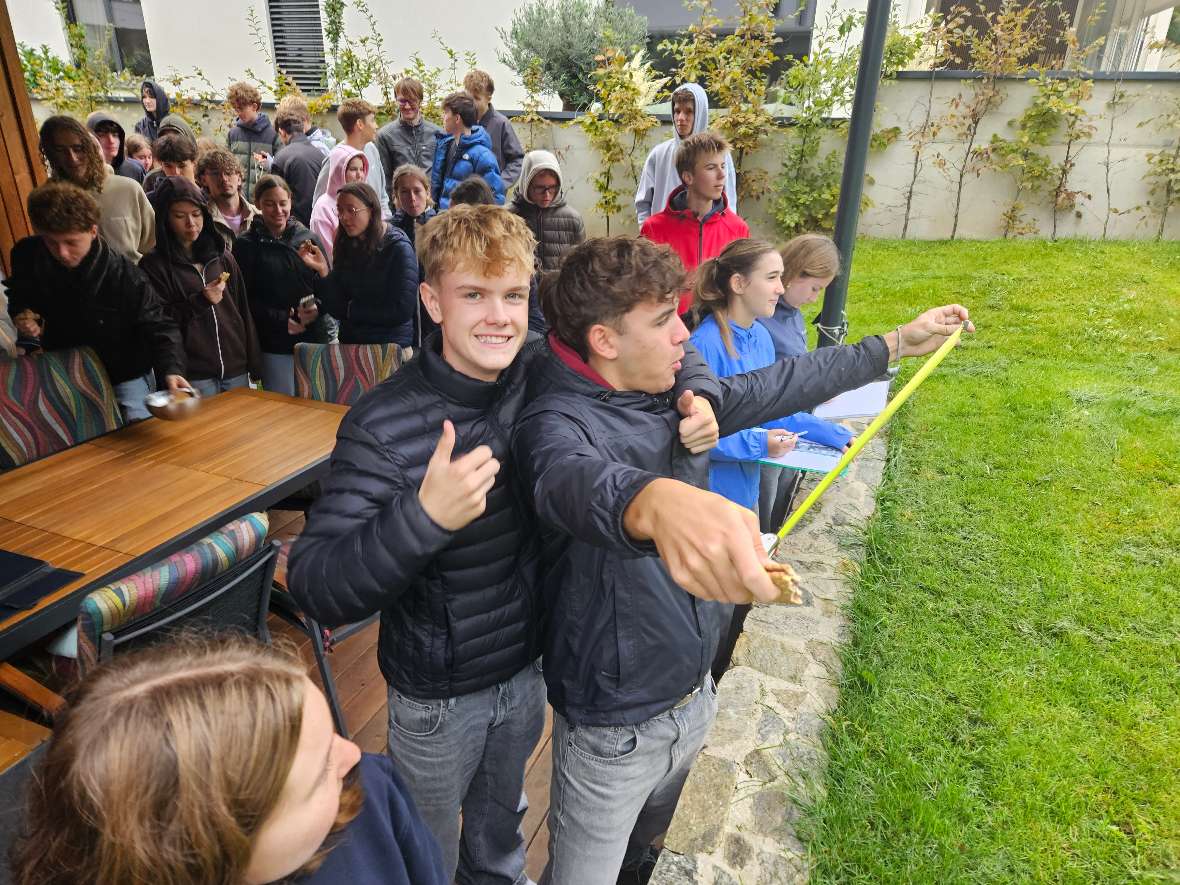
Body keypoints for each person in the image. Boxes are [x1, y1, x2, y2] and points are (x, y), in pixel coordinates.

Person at [512, 235, 973, 884]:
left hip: (694, 694)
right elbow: (577, 481)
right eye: (663, 320)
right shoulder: (553, 424)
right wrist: (656, 502)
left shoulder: (665, 382)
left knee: (650, 855)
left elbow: (774, 382)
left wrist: (895, 343)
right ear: (604, 341)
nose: (684, 334)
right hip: (612, 731)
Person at [286, 205, 722, 885]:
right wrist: (424, 516)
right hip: (436, 699)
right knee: (423, 854)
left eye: (513, 295)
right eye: (473, 295)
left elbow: (656, 331)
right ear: (431, 300)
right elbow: (314, 581)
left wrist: (693, 388)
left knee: (499, 845)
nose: (498, 316)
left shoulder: (534, 368)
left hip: (523, 675)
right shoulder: (382, 422)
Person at [9, 634, 447, 885]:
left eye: (332, 735)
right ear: (209, 847)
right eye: (316, 779)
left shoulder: (370, 795)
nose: (354, 754)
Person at [5, 181, 189, 422]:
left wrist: (172, 370)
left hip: (125, 371)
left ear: (93, 231)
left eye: (71, 242)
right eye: (51, 242)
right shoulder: (28, 255)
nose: (61, 252)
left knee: (138, 434)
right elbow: (20, 292)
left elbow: (160, 325)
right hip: (66, 366)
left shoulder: (123, 274)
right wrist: (23, 313)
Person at [757, 233, 853, 531]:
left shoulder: (793, 315)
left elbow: (795, 371)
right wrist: (824, 431)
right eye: (814, 288)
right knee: (765, 513)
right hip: (771, 437)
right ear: (795, 272)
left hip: (795, 427)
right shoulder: (762, 322)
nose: (814, 298)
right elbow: (764, 402)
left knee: (784, 496)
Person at [140, 176, 261, 398]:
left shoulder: (221, 256)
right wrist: (200, 301)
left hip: (235, 367)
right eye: (179, 216)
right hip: (193, 374)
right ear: (165, 218)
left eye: (196, 215)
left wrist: (253, 360)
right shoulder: (154, 266)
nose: (191, 223)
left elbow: (242, 308)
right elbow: (158, 321)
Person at [232, 174, 328, 395]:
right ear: (258, 204)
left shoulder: (307, 238)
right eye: (269, 204)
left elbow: (326, 283)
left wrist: (316, 310)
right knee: (283, 407)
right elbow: (245, 299)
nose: (278, 210)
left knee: (316, 406)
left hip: (313, 339)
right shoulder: (247, 246)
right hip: (274, 343)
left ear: (291, 201)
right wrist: (284, 319)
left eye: (283, 203)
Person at [641, 131, 749, 316]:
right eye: (711, 167)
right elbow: (643, 289)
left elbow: (743, 288)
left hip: (718, 329)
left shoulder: (738, 228)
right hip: (671, 330)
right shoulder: (654, 229)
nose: (722, 175)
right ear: (688, 177)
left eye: (723, 166)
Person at [300, 181, 417, 347]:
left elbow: (402, 309)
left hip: (389, 348)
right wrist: (324, 271)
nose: (344, 217)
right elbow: (336, 302)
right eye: (339, 210)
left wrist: (349, 311)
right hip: (351, 345)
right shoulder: (345, 242)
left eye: (351, 210)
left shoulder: (397, 247)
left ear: (371, 210)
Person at [38, 115, 155, 264]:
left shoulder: (128, 189)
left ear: (91, 147)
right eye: (61, 150)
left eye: (78, 148)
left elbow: (150, 245)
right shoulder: (46, 199)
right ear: (50, 153)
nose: (72, 158)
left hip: (130, 282)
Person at [635, 83, 737, 225]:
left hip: (707, 240)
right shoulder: (659, 155)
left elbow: (729, 206)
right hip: (663, 240)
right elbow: (643, 204)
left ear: (700, 113)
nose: (681, 118)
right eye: (677, 111)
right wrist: (648, 237)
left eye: (689, 111)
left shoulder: (719, 155)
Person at [313, 98, 390, 221]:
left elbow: (382, 196)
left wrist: (386, 225)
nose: (376, 125)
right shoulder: (334, 159)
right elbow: (320, 204)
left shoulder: (372, 150)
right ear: (360, 124)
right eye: (372, 120)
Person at [509, 149, 585, 272]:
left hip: (558, 290)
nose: (547, 195)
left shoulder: (573, 219)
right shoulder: (508, 216)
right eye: (540, 188)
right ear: (526, 184)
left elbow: (580, 266)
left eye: (552, 188)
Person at [430, 91, 504, 210]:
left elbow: (495, 200)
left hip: (466, 225)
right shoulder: (445, 147)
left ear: (457, 118)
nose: (443, 117)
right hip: (444, 221)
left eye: (445, 113)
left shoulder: (483, 156)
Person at [376, 77, 442, 193]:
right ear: (396, 100)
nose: (407, 106)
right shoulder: (385, 136)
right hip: (402, 206)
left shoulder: (437, 134)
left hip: (433, 206)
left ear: (420, 101)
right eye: (402, 101)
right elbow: (385, 179)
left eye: (412, 101)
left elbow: (442, 174)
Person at [463, 69, 524, 189]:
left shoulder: (501, 123)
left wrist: (500, 184)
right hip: (464, 196)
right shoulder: (461, 121)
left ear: (489, 98)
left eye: (476, 98)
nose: (471, 103)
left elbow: (517, 159)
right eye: (468, 97)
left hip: (492, 198)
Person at [310, 145, 368, 263]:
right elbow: (327, 254)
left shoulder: (366, 201)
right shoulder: (323, 207)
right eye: (353, 169)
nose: (359, 175)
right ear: (339, 171)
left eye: (362, 169)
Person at [272, 110, 328, 226]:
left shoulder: (281, 157)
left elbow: (274, 196)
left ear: (282, 132)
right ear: (303, 130)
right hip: (320, 222)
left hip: (293, 227)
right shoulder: (321, 155)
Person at [227, 80, 280, 202]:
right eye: (236, 109)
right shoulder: (233, 134)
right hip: (238, 201)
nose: (238, 113)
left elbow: (280, 170)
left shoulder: (273, 135)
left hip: (264, 201)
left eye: (241, 108)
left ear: (254, 106)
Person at [197, 146, 260, 243]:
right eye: (216, 173)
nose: (224, 179)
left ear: (239, 178)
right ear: (203, 180)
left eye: (228, 172)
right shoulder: (201, 220)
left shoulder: (258, 216)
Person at [85, 111, 145, 183]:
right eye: (102, 135)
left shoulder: (134, 170)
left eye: (115, 135)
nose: (111, 140)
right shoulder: (81, 171)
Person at [389, 163, 436, 248]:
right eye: (405, 192)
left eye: (417, 191)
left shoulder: (440, 227)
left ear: (428, 193)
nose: (412, 198)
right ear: (397, 195)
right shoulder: (389, 229)